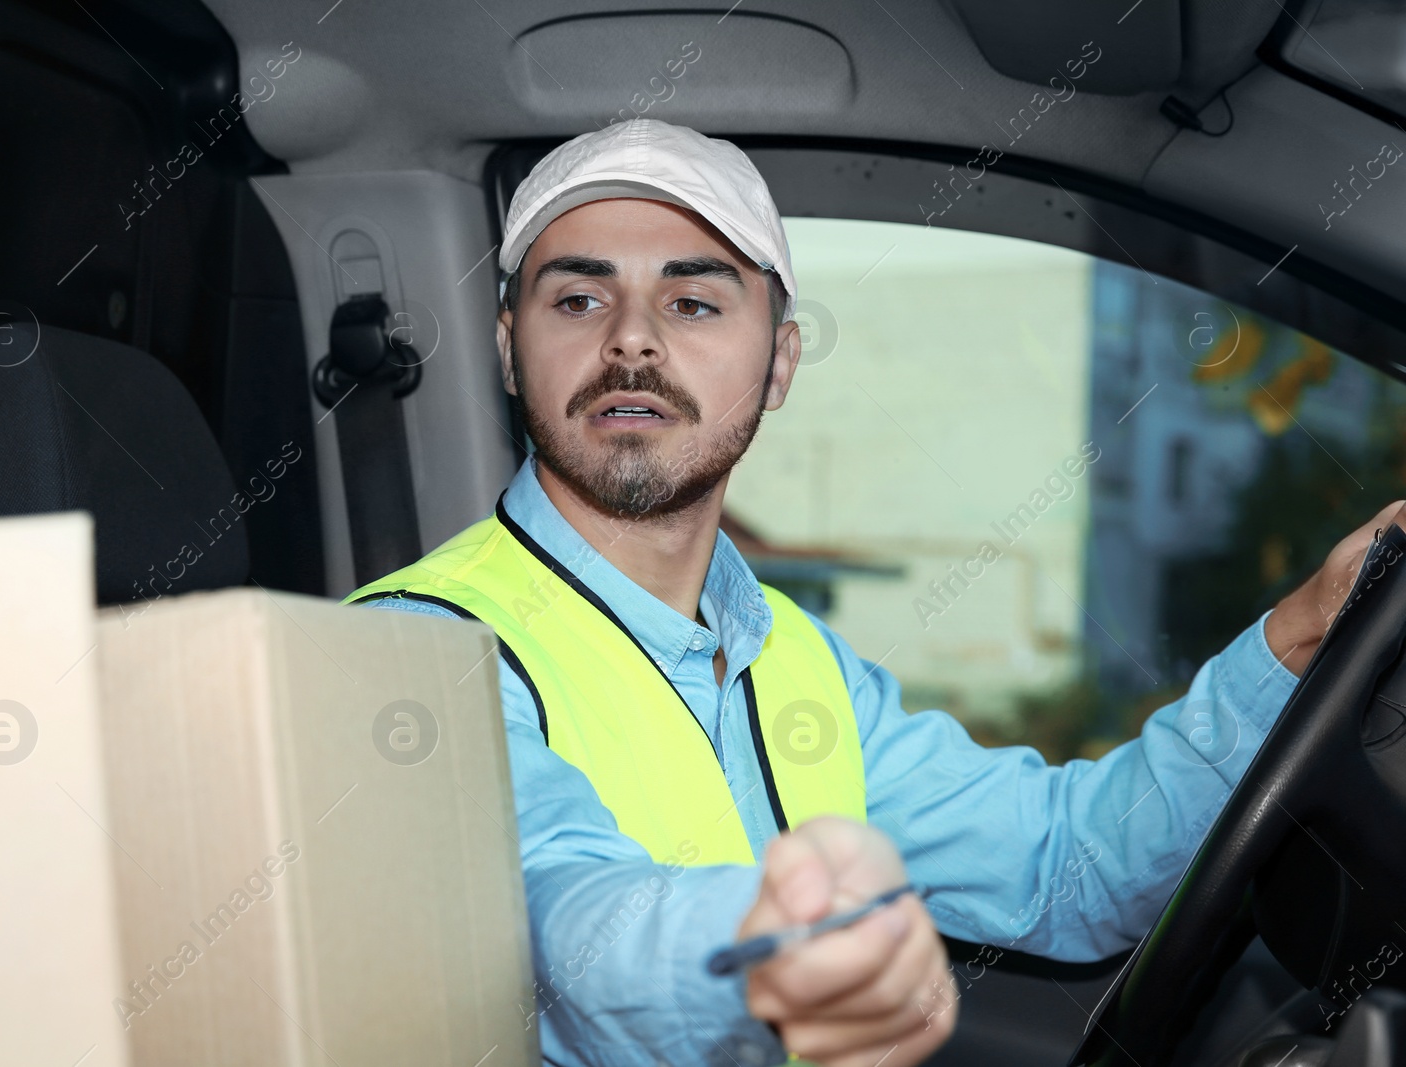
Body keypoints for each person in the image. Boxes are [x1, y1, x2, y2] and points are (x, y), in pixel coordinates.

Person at [345, 118, 1391, 1067]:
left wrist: (1296, 639)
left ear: (781, 360)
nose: (631, 338)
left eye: (693, 299)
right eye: (578, 297)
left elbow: (1067, 867)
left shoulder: (794, 659)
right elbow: (557, 921)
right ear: (506, 349)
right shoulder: (413, 650)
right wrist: (779, 943)